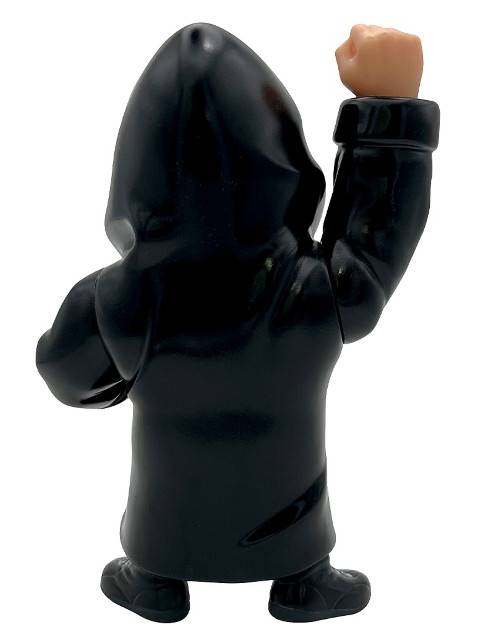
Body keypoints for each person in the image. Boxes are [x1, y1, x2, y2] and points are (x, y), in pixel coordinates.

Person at [37, 23, 439, 623]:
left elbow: (65, 374)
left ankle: (154, 581)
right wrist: (388, 112)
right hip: (292, 523)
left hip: (162, 527)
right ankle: (302, 582)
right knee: (298, 542)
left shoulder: (119, 298)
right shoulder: (313, 290)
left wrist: (103, 357)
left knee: (157, 539)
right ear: (283, 166)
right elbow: (377, 238)